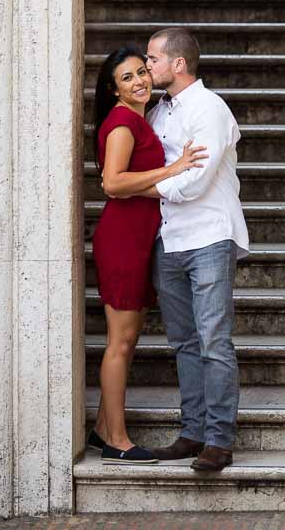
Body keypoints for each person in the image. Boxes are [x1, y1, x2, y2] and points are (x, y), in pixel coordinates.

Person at [137, 27, 249, 472]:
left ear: (177, 64)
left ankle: (219, 441)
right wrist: (161, 177)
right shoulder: (156, 113)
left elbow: (196, 180)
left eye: (152, 59)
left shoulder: (210, 108)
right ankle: (192, 432)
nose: (147, 66)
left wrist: (146, 186)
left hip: (208, 237)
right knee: (183, 342)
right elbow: (154, 171)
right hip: (169, 239)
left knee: (214, 341)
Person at [89, 46, 207, 465]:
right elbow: (112, 183)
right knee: (119, 342)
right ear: (113, 88)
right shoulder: (122, 121)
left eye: (142, 71)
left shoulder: (140, 118)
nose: (139, 81)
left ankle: (104, 428)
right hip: (122, 240)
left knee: (128, 338)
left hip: (140, 239)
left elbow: (129, 183)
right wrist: (172, 171)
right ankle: (117, 442)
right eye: (127, 77)